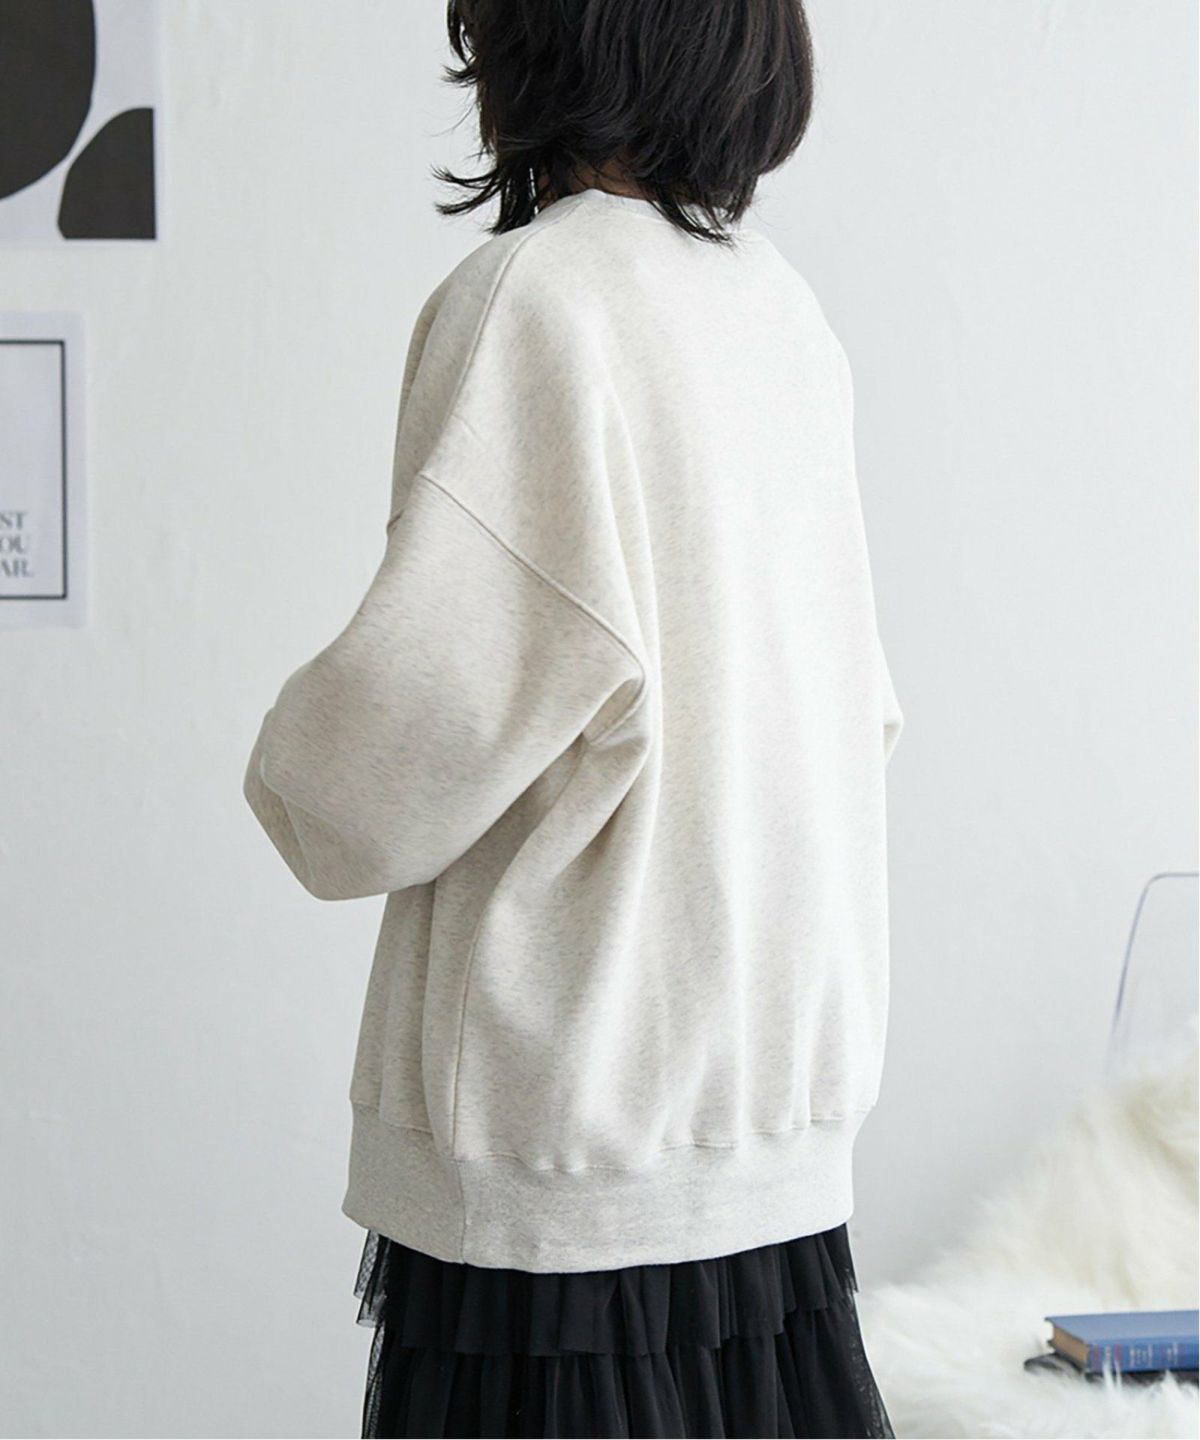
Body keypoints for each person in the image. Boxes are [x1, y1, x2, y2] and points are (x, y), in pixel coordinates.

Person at [243, 0, 904, 1434]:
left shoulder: (538, 300)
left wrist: (289, 778)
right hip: (772, 1163)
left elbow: (417, 724)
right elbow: (857, 712)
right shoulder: (780, 313)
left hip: (570, 1169)